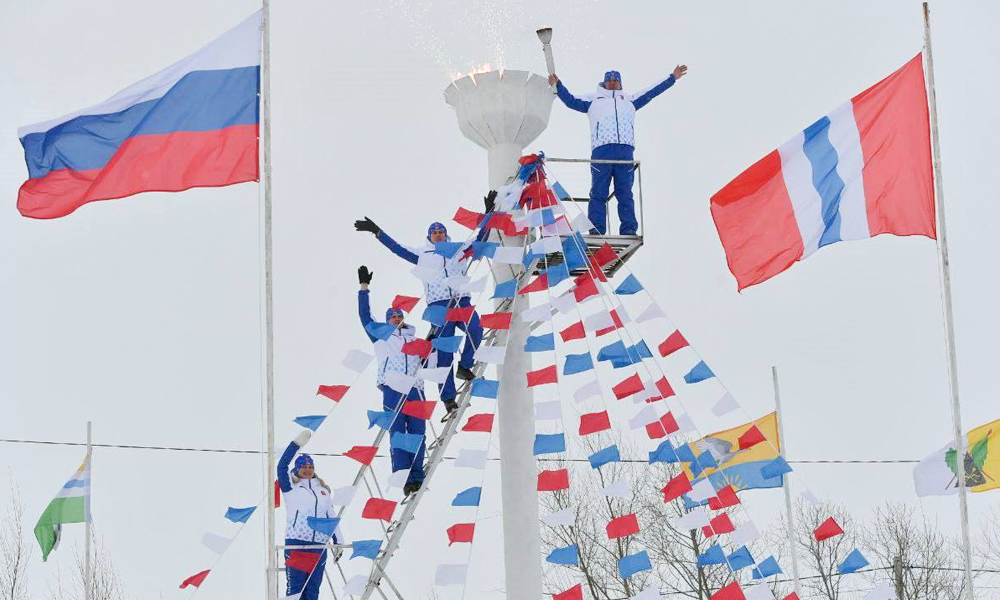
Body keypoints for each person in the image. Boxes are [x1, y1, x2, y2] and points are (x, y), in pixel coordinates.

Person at [354, 191, 496, 412]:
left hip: (461, 301)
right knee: (443, 353)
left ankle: (465, 365)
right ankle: (448, 397)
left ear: (446, 235)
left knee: (476, 330)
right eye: (434, 233)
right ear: (429, 237)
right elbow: (397, 248)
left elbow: (480, 239)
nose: (438, 235)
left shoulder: (457, 249)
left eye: (441, 232)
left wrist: (489, 213)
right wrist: (377, 232)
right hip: (439, 306)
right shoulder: (422, 254)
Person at [549, 66, 688, 235]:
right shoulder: (593, 99)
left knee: (625, 194)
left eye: (616, 81)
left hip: (625, 152)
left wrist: (672, 78)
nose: (613, 83)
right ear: (605, 82)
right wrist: (558, 86)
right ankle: (596, 230)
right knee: (598, 192)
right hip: (602, 150)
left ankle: (629, 230)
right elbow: (571, 100)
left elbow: (651, 91)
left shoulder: (629, 100)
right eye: (610, 81)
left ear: (620, 83)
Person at [358, 265, 427, 494]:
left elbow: (431, 362)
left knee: (417, 434)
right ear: (387, 320)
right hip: (393, 387)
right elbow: (365, 317)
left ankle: (417, 474)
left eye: (399, 315)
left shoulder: (416, 340)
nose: (396, 318)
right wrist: (364, 289)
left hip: (415, 389)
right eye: (392, 316)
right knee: (398, 434)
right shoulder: (382, 337)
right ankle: (404, 478)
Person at [277, 429, 335, 600]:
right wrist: (295, 445)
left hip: (319, 546)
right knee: (296, 592)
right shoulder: (291, 488)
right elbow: (281, 466)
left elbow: (331, 517)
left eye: (311, 467)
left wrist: (338, 541)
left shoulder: (323, 490)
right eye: (304, 466)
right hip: (296, 544)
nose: (308, 470)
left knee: (312, 592)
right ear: (297, 468)